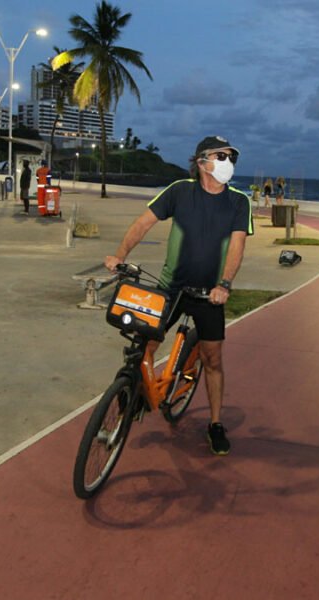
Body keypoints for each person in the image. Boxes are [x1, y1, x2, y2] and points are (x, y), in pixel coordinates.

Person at [104, 135, 253, 455]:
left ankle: (215, 424)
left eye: (231, 158)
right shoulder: (180, 191)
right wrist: (119, 256)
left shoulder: (238, 201)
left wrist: (224, 285)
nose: (228, 162)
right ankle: (139, 392)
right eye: (221, 156)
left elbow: (238, 245)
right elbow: (143, 223)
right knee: (146, 341)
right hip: (171, 286)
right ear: (202, 162)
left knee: (213, 359)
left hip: (210, 294)